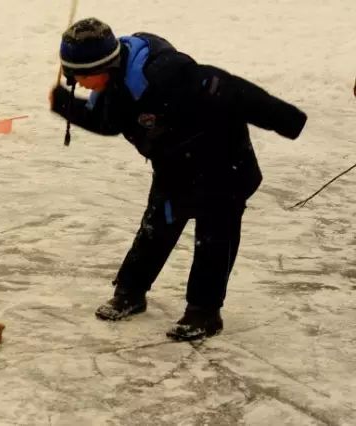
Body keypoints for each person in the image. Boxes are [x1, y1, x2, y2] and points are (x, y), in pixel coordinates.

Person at [49, 18, 307, 341]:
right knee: (156, 227)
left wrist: (288, 120)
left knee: (214, 238)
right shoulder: (113, 84)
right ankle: (130, 292)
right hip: (175, 165)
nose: (79, 83)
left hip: (222, 162)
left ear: (105, 64)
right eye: (72, 76)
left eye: (81, 76)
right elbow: (110, 121)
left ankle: (204, 312)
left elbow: (228, 88)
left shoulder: (167, 75)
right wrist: (65, 104)